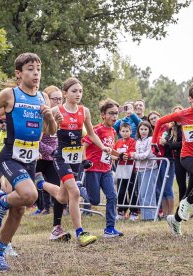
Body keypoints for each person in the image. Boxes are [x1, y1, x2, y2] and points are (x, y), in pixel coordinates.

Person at [0, 53, 58, 272]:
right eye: (30, 68)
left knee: (19, 210)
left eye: (38, 68)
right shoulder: (10, 94)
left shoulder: (43, 98)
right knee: (30, 195)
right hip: (11, 155)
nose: (36, 73)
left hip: (31, 158)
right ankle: (1, 201)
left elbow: (50, 132)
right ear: (19, 74)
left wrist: (49, 117)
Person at [36, 77, 112, 247]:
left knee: (63, 196)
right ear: (65, 93)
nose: (78, 94)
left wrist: (102, 147)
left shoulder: (84, 111)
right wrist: (38, 144)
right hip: (61, 156)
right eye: (74, 91)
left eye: (80, 91)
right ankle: (80, 233)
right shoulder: (56, 109)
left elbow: (91, 134)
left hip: (76, 158)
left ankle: (41, 184)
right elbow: (46, 131)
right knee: (75, 193)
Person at [152, 81, 193, 235]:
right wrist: (153, 142)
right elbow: (160, 121)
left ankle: (174, 220)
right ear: (190, 99)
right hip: (186, 156)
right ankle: (187, 203)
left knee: (190, 190)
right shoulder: (182, 114)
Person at [81, 98, 123, 237]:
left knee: (112, 196)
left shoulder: (113, 132)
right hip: (93, 169)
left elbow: (108, 150)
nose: (114, 116)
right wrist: (84, 160)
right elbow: (84, 144)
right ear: (103, 115)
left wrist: (119, 156)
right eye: (111, 113)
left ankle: (109, 229)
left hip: (106, 169)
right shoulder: (96, 130)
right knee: (94, 200)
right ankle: (79, 188)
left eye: (116, 113)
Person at [35, 85, 71, 241]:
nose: (57, 101)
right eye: (54, 98)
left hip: (52, 159)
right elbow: (36, 140)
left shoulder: (61, 114)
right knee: (25, 191)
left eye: (59, 99)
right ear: (46, 100)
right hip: (37, 158)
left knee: (60, 192)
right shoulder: (40, 114)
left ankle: (56, 228)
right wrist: (50, 151)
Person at [130, 121, 158, 220]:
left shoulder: (151, 139)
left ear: (149, 130)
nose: (143, 131)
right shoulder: (138, 141)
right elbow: (138, 154)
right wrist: (135, 156)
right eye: (141, 129)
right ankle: (145, 216)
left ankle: (150, 216)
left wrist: (135, 156)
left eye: (145, 129)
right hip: (140, 169)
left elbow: (148, 154)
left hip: (149, 168)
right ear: (138, 130)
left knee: (148, 192)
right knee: (141, 193)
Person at [148, 111, 174, 218]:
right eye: (152, 119)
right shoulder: (152, 132)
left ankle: (170, 214)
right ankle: (164, 214)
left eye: (156, 117)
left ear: (160, 117)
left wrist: (166, 141)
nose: (154, 120)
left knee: (167, 187)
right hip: (156, 162)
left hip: (168, 160)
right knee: (160, 188)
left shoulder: (168, 127)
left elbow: (173, 140)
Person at [114, 122, 138, 221]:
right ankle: (121, 211)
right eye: (123, 131)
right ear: (120, 132)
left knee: (131, 191)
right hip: (120, 169)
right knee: (121, 190)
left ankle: (133, 212)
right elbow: (114, 152)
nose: (125, 133)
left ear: (130, 131)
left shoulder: (132, 141)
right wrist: (117, 156)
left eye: (127, 131)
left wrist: (124, 155)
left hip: (131, 169)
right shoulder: (118, 142)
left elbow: (132, 152)